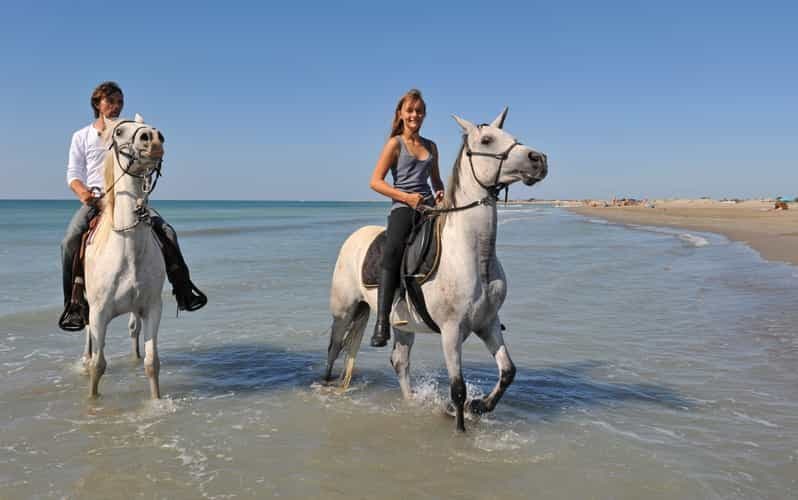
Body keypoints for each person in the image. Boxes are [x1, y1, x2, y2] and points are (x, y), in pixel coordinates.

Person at [59, 81, 206, 330]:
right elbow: (73, 174)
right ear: (98, 104)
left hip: (130, 197)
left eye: (120, 102)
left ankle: (183, 291)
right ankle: (73, 303)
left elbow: (145, 156)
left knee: (168, 232)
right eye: (110, 101)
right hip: (98, 199)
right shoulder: (81, 136)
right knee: (70, 240)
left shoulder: (129, 131)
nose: (116, 106)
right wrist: (83, 192)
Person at [368, 89, 444, 347]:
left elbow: (436, 181)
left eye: (419, 111)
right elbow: (375, 182)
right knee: (392, 252)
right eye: (410, 110)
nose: (415, 115)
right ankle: (381, 322)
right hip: (403, 208)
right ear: (400, 114)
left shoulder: (431, 146)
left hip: (429, 207)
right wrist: (406, 197)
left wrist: (440, 192)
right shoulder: (394, 144)